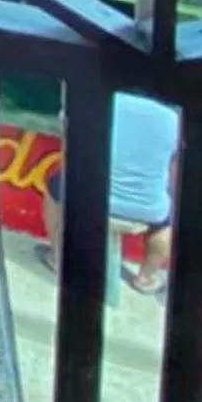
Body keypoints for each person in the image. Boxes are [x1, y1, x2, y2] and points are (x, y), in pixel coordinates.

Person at [40, 91, 178, 294]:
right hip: (146, 209)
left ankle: (58, 258)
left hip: (89, 196)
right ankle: (146, 277)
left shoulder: (95, 98)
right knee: (164, 220)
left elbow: (68, 138)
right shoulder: (173, 118)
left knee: (54, 188)